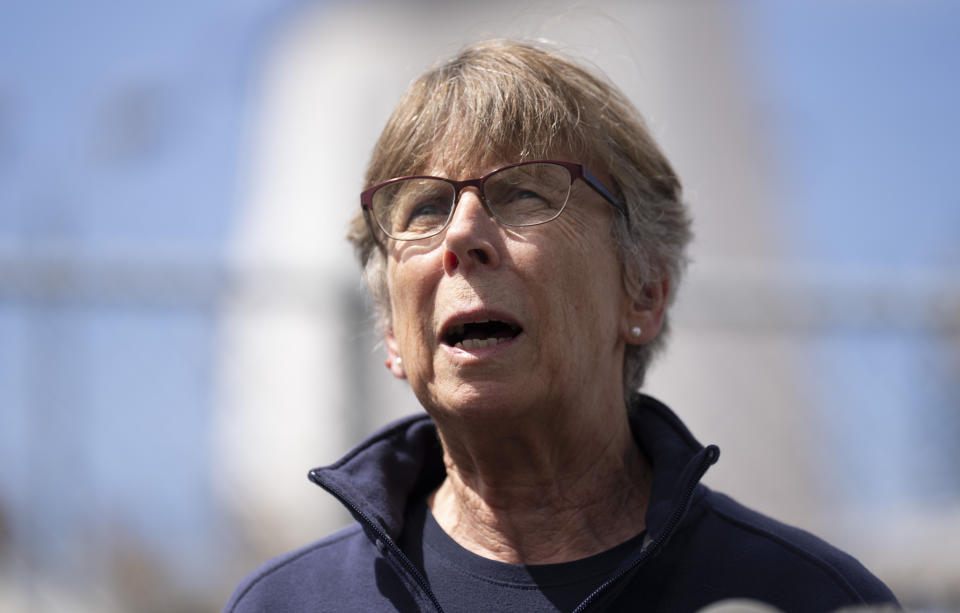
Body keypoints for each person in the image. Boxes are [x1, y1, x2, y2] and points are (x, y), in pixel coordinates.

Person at [225, 39, 898, 612]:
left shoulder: (809, 593)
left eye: (524, 192)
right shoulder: (288, 602)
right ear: (394, 333)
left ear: (644, 294)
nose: (462, 233)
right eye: (424, 207)